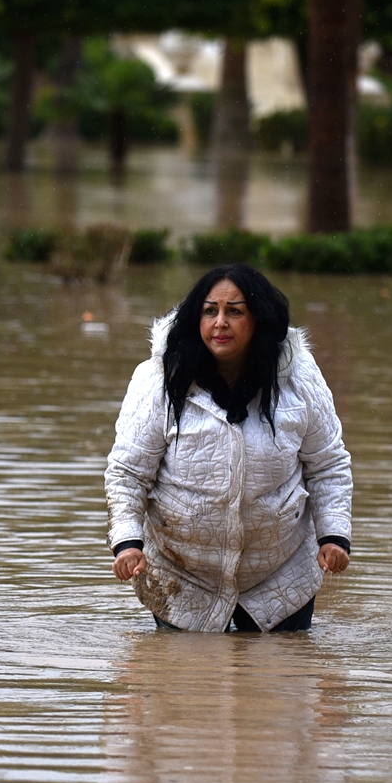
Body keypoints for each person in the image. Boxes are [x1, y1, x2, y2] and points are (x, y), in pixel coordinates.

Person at [104, 264, 352, 632]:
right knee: (182, 681)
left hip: (280, 576)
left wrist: (333, 536)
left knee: (284, 681)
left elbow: (327, 465)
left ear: (259, 320)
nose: (220, 323)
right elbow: (127, 473)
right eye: (210, 311)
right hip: (182, 576)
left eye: (234, 311)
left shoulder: (298, 377)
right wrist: (127, 543)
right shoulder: (159, 379)